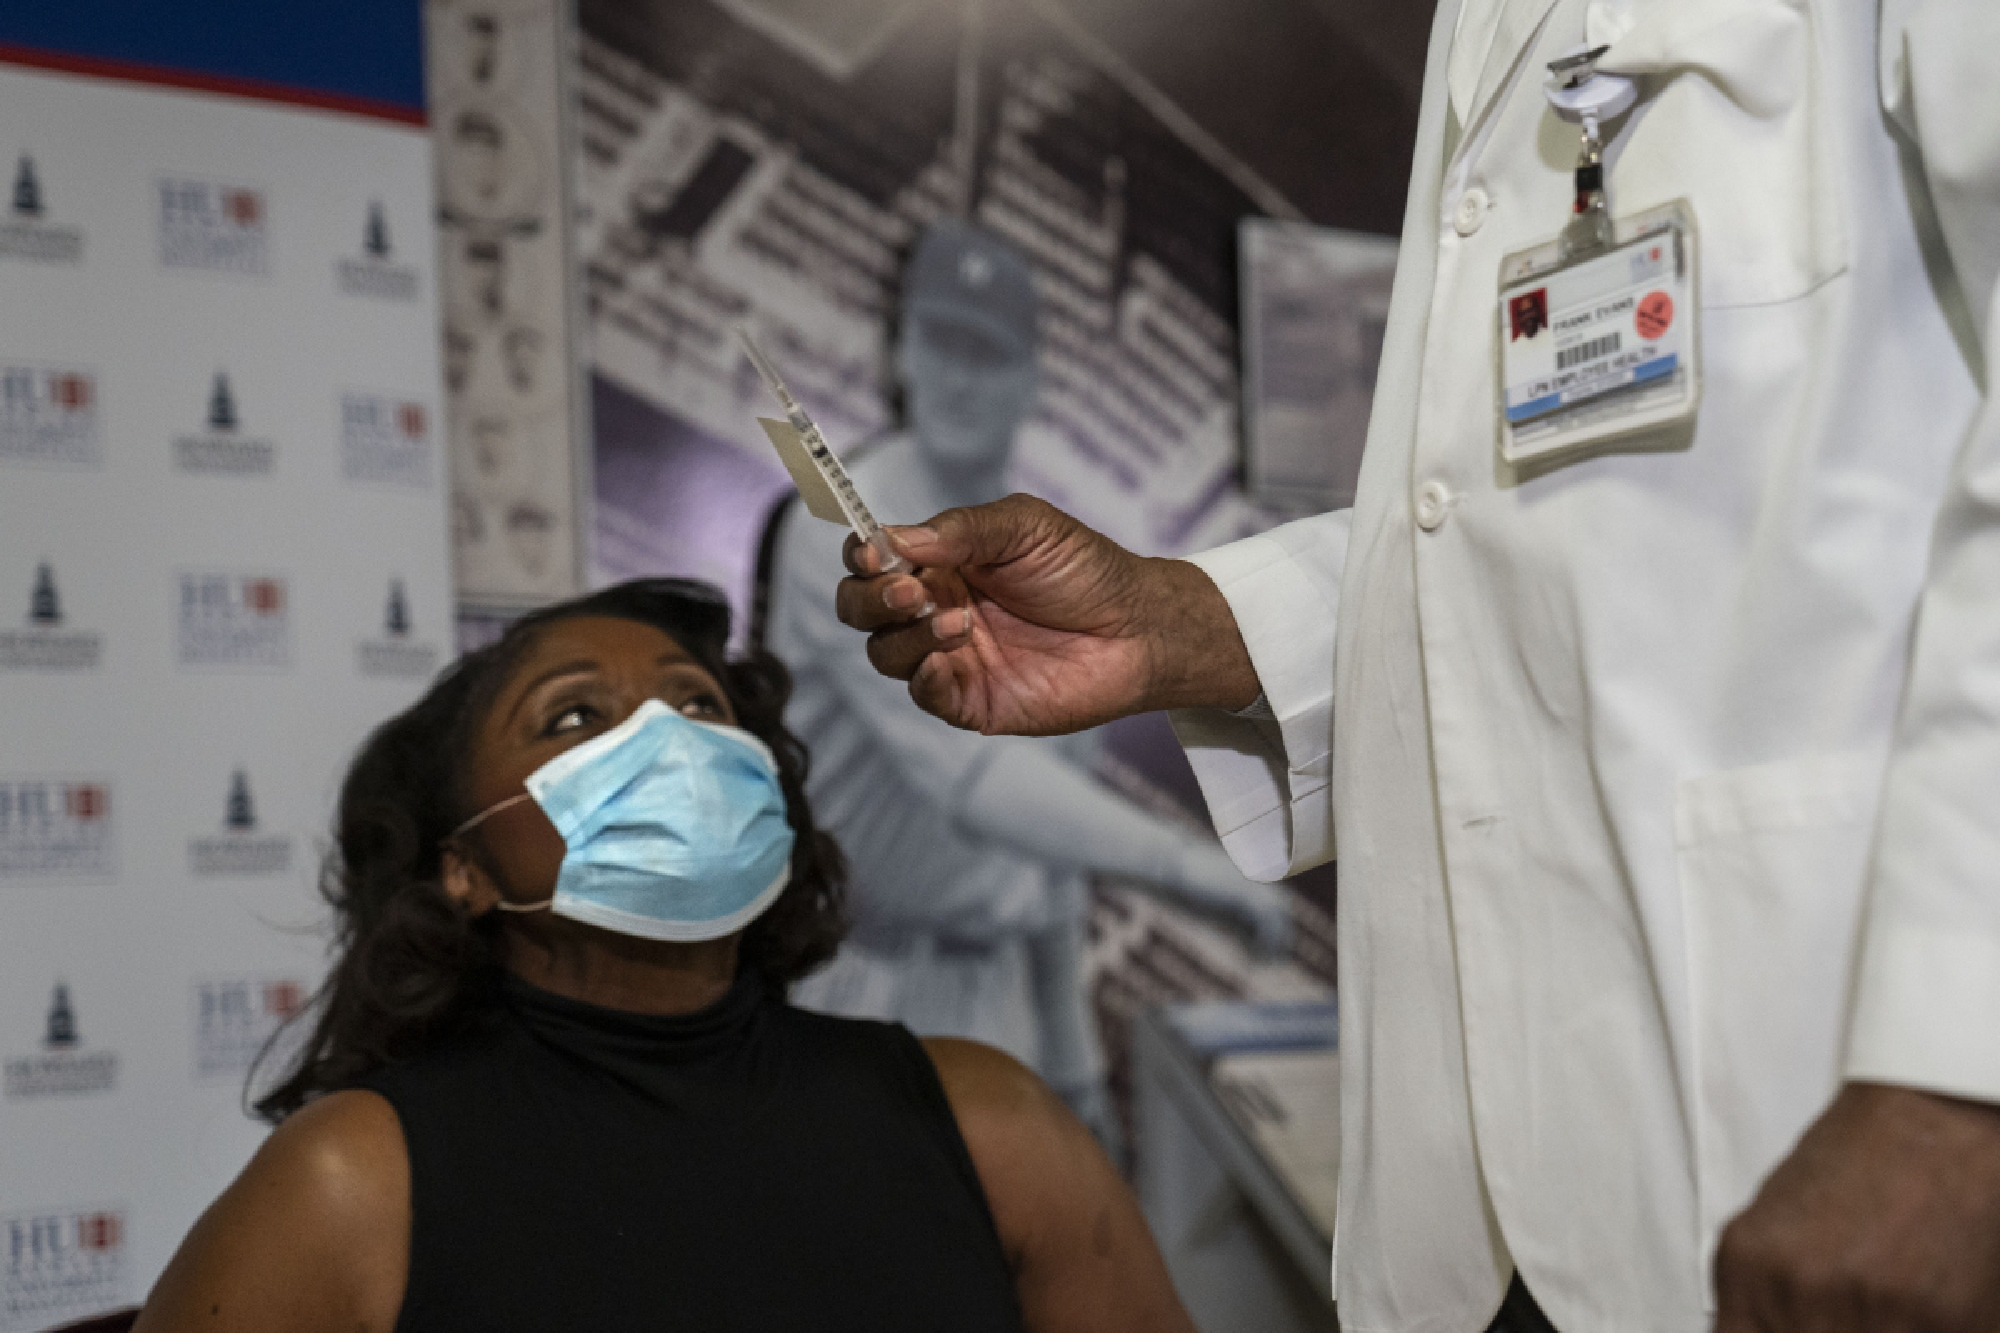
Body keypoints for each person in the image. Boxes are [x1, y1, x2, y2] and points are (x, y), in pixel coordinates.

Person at [832, 2, 2000, 1330]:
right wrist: (1183, 626)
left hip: (1824, 1117)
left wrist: (1958, 1079)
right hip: (1495, 1217)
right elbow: (1518, 538)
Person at [132, 579, 1195, 1333]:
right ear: (464, 866)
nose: (670, 744)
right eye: (575, 715)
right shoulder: (355, 1183)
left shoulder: (986, 1121)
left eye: (696, 703)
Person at [763, 220, 1292, 1135]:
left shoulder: (1044, 560)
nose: (960, 376)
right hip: (856, 982)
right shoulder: (839, 530)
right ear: (902, 350)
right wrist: (1189, 868)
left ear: (1032, 381)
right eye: (941, 340)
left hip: (997, 988)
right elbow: (971, 779)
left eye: (989, 352)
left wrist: (1077, 1069)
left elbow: (1052, 845)